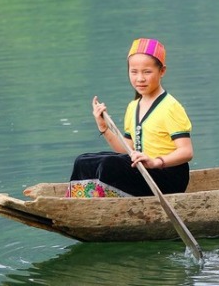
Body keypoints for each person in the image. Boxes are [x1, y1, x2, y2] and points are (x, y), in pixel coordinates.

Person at [68, 38, 194, 197]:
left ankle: (102, 202)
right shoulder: (133, 107)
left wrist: (156, 162)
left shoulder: (170, 107)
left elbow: (186, 151)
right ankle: (81, 203)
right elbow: (126, 150)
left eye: (147, 72)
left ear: (162, 71)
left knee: (109, 165)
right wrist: (104, 128)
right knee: (83, 161)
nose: (140, 78)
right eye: (134, 72)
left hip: (167, 177)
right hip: (143, 171)